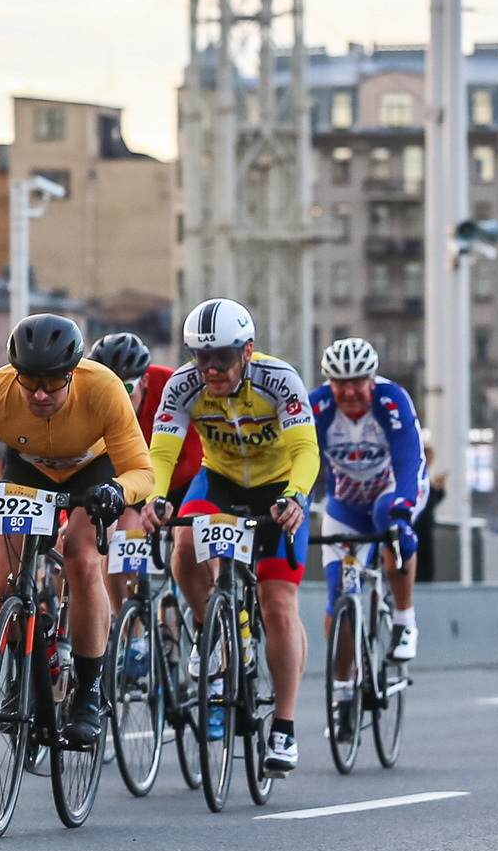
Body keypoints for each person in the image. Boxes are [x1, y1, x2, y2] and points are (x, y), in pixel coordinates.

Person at [0, 313, 151, 746]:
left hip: (92, 474)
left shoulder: (103, 389)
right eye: (29, 382)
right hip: (28, 472)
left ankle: (87, 692)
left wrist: (118, 491)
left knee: (81, 560)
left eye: (51, 383)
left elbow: (141, 472)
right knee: (5, 581)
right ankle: (24, 667)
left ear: (72, 374)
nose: (40, 393)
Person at [144, 297, 319, 776]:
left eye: (221, 357)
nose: (211, 369)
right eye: (202, 357)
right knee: (184, 546)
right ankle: (213, 633)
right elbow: (162, 453)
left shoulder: (279, 380)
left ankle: (283, 726)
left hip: (277, 488)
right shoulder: (184, 385)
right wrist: (156, 497)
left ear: (247, 351)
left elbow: (306, 450)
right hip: (218, 482)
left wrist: (296, 496)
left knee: (277, 603)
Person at [310, 337, 427, 745]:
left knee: (389, 522)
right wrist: (294, 506)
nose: (349, 392)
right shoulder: (318, 407)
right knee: (338, 594)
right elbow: (302, 462)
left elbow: (409, 459)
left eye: (357, 382)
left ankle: (404, 621)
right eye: (339, 383)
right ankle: (343, 692)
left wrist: (403, 511)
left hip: (393, 493)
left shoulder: (392, 401)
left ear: (372, 379)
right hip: (345, 504)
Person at [90, 330, 197, 628]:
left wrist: (161, 501)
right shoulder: (93, 403)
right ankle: (131, 634)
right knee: (120, 538)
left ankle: (208, 613)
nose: (118, 399)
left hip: (183, 480)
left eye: (126, 388)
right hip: (135, 483)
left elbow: (196, 455)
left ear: (146, 381)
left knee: (193, 541)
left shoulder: (172, 386)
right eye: (108, 390)